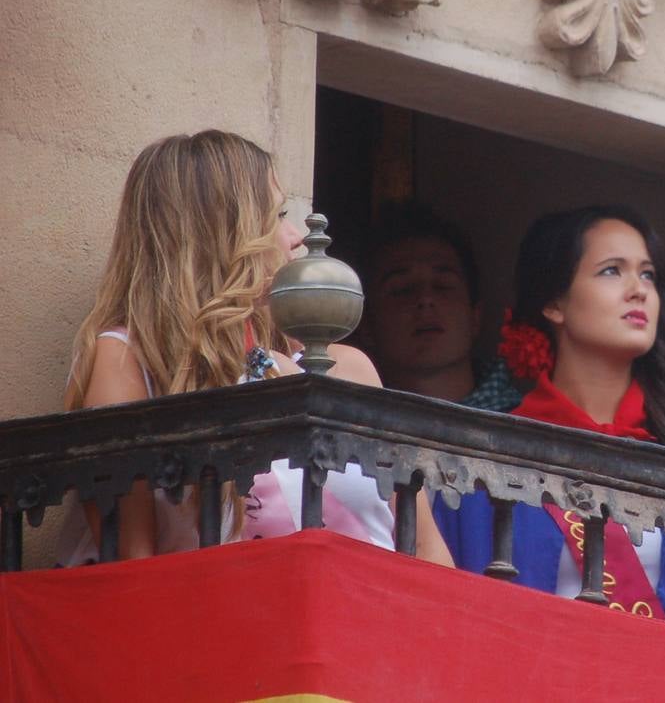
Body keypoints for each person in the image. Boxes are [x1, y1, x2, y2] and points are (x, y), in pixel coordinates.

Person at [58, 130, 452, 567]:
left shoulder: (347, 366)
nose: (296, 235)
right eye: (277, 214)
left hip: (375, 620)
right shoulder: (128, 358)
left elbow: (427, 549)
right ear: (221, 231)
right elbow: (131, 564)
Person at [431, 205, 665, 635]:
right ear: (554, 303)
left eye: (648, 275)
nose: (638, 290)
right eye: (612, 271)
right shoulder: (487, 458)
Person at [359, 204, 520, 412]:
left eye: (443, 286)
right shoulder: (342, 421)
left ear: (475, 317)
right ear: (367, 327)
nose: (425, 300)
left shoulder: (534, 427)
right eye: (402, 289)